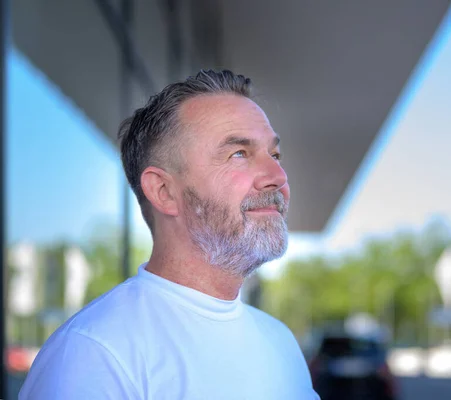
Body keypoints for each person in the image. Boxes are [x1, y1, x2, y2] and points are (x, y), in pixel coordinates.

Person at [19, 70, 320, 399]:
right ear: (163, 191)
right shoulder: (94, 355)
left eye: (274, 155)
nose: (277, 176)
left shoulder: (280, 342)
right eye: (239, 154)